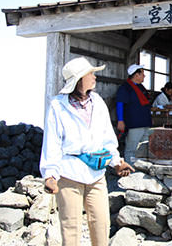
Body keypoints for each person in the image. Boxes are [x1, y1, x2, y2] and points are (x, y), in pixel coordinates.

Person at [40, 57, 134, 246]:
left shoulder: (97, 101)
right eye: (90, 74)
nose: (94, 77)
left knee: (101, 223)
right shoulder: (58, 106)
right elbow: (52, 142)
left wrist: (117, 162)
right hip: (69, 174)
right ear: (79, 79)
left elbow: (107, 135)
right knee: (71, 227)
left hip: (96, 175)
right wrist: (50, 174)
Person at [116, 64, 152, 164]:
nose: (144, 76)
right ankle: (130, 171)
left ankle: (142, 170)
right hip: (134, 123)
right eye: (142, 74)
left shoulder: (141, 88)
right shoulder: (125, 88)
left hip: (145, 122)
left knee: (145, 148)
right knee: (132, 149)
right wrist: (120, 120)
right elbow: (120, 104)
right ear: (136, 75)